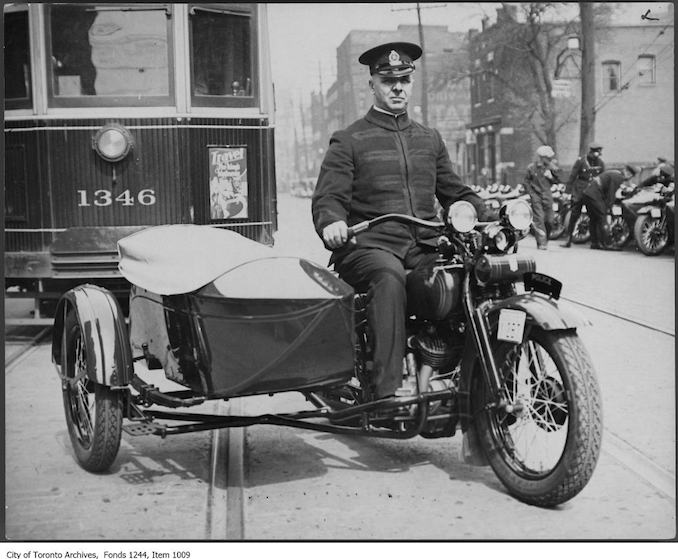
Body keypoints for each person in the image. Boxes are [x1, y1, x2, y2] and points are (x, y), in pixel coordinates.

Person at [311, 41, 485, 402]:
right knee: (388, 280)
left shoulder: (428, 139)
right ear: (372, 84)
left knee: (467, 275)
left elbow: (454, 192)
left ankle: (472, 376)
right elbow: (329, 198)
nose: (398, 87)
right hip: (369, 247)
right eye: (388, 80)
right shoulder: (349, 139)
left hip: (422, 247)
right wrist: (331, 223)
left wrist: (487, 211)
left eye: (404, 80)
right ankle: (386, 391)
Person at [582, 165, 637, 250]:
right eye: (629, 174)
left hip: (587, 194)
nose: (629, 177)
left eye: (631, 176)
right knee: (603, 218)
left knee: (594, 219)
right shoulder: (618, 178)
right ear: (626, 172)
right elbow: (611, 194)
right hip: (595, 195)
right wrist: (608, 207)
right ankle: (608, 244)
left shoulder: (615, 173)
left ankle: (595, 243)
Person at [561, 143, 605, 247]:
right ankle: (568, 239)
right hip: (579, 190)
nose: (597, 155)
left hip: (592, 192)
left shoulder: (600, 163)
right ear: (590, 151)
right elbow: (572, 176)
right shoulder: (581, 161)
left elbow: (602, 178)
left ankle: (594, 242)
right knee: (574, 214)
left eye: (598, 152)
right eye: (595, 152)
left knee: (593, 216)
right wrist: (567, 192)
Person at [524, 145, 560, 250]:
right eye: (547, 157)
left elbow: (559, 180)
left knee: (550, 220)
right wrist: (531, 193)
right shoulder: (531, 168)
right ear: (541, 157)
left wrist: (551, 177)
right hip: (536, 196)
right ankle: (541, 243)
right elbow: (526, 182)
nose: (549, 159)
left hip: (548, 195)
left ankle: (545, 239)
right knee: (539, 219)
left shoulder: (551, 167)